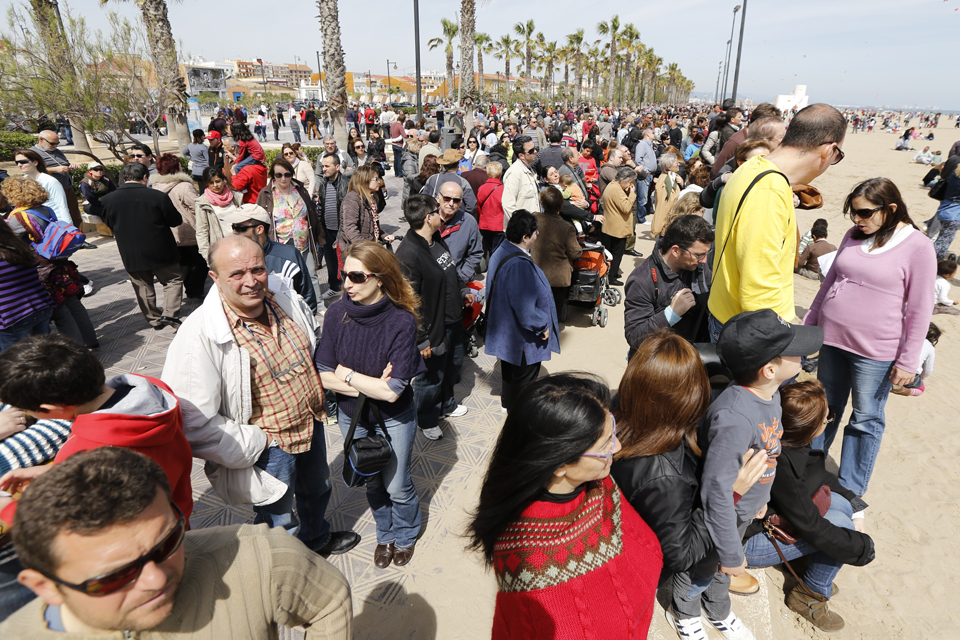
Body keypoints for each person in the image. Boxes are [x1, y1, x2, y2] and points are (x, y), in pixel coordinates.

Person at [0, 447, 352, 638]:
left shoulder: (260, 555)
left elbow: (328, 601)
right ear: (46, 587)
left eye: (167, 542)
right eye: (115, 576)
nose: (156, 578)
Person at [162, 235, 359, 556]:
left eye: (257, 269)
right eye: (237, 274)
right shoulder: (199, 333)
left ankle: (316, 539)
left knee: (318, 488)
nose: (251, 281)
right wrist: (256, 441)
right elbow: (190, 419)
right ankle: (288, 566)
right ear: (215, 278)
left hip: (310, 422)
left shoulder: (282, 296)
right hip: (268, 445)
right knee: (277, 514)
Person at [467, 373, 662, 639]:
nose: (617, 446)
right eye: (604, 444)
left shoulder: (599, 486)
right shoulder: (527, 562)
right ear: (559, 464)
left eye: (612, 430)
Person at [611, 332, 769, 640]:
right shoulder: (664, 477)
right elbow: (681, 555)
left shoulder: (621, 408)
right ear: (688, 398)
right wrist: (730, 494)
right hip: (642, 565)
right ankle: (685, 611)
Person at [803, 178, 936, 496]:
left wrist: (907, 361)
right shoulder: (852, 235)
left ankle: (849, 489)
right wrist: (809, 327)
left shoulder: (918, 247)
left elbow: (920, 310)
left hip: (875, 351)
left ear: (890, 209)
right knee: (825, 409)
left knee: (865, 418)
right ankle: (809, 471)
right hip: (832, 340)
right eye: (853, 213)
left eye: (863, 213)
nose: (857, 220)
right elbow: (827, 286)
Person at [698, 310, 823, 640]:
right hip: (725, 514)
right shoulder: (735, 418)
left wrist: (761, 501)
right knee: (702, 570)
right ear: (770, 369)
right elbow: (715, 491)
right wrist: (728, 552)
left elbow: (768, 455)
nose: (802, 355)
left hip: (745, 508)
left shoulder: (770, 396)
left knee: (720, 572)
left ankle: (718, 608)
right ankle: (685, 614)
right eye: (794, 350)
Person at [316, 242, 426, 567]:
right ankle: (385, 535)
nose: (346, 283)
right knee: (372, 482)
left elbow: (393, 393)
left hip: (394, 418)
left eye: (355, 276)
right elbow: (321, 375)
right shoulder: (337, 314)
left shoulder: (401, 322)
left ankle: (405, 535)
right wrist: (373, 384)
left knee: (397, 485)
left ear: (379, 278)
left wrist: (346, 373)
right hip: (354, 418)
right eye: (343, 274)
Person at [743, 381, 875, 632]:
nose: (829, 422)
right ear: (809, 428)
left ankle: (807, 566)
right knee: (841, 531)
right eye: (827, 419)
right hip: (747, 544)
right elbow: (814, 528)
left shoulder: (789, 441)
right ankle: (809, 596)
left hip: (777, 518)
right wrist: (862, 547)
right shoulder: (785, 466)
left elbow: (820, 476)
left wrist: (857, 505)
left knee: (842, 506)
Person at [709, 104, 847, 341]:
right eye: (838, 156)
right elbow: (759, 287)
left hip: (726, 312)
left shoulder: (752, 167)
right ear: (829, 150)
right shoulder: (769, 189)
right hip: (750, 328)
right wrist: (779, 343)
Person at [396, 195, 471, 440]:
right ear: (429, 218)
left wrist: (462, 291)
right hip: (433, 327)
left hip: (453, 319)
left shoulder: (436, 239)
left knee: (452, 367)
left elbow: (450, 270)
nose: (443, 213)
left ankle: (446, 405)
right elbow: (409, 302)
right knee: (430, 377)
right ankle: (427, 418)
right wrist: (422, 339)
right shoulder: (408, 254)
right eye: (437, 211)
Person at [485, 211, 559, 411]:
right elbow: (524, 306)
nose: (537, 236)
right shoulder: (519, 264)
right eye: (536, 233)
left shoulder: (502, 250)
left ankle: (508, 404)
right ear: (525, 237)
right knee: (524, 377)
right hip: (522, 337)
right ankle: (519, 414)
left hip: (508, 331)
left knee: (509, 370)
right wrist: (541, 325)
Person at [100, 162, 184, 330]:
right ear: (145, 177)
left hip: (130, 250)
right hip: (161, 248)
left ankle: (154, 319)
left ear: (123, 178)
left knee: (142, 285)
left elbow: (108, 222)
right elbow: (175, 221)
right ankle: (170, 314)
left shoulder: (108, 200)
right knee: (172, 279)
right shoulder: (157, 196)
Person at [624, 215, 713, 353]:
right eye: (699, 255)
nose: (704, 261)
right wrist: (672, 313)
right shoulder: (641, 280)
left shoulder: (697, 266)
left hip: (690, 354)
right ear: (676, 251)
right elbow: (635, 337)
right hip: (660, 362)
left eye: (707, 253)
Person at [256, 157, 323, 304]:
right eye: (279, 175)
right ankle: (286, 304)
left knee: (311, 273)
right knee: (283, 276)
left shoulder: (299, 189)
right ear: (273, 176)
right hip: (280, 241)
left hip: (302, 240)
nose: (283, 178)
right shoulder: (266, 193)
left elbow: (311, 213)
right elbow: (260, 219)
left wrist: (319, 235)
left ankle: (318, 304)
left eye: (287, 174)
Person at [230, 203, 317, 313]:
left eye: (240, 228)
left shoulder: (289, 256)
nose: (234, 232)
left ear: (259, 229)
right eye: (233, 227)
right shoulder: (230, 258)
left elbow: (307, 299)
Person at [150, 154, 206, 300]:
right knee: (200, 262)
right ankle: (195, 291)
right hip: (190, 230)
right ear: (176, 168)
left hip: (170, 233)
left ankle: (190, 289)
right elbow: (197, 207)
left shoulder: (155, 187)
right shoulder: (184, 186)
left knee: (184, 263)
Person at [0, 217, 54, 352]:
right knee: (44, 355)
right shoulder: (18, 246)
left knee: (17, 365)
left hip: (11, 317)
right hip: (40, 306)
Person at [531, 187, 582, 320]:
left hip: (536, 273)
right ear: (561, 205)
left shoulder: (534, 217)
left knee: (536, 310)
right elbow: (575, 253)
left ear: (542, 203)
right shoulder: (566, 228)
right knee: (553, 315)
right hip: (558, 278)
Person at [338, 165, 395, 269]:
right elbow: (350, 228)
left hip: (367, 250)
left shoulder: (370, 197)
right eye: (376, 179)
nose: (379, 182)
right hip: (357, 253)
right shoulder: (352, 200)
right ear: (365, 180)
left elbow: (372, 224)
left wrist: (383, 235)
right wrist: (366, 248)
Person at [29, 131, 82, 228]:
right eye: (52, 143)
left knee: (75, 215)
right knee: (58, 216)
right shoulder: (32, 153)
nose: (55, 146)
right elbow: (31, 170)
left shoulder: (57, 151)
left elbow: (65, 164)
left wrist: (71, 166)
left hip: (66, 188)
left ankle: (78, 237)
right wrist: (54, 169)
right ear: (41, 139)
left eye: (57, 143)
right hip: (48, 191)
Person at [195, 165, 245, 261]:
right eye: (211, 183)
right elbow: (202, 231)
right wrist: (207, 256)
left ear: (223, 180)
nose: (215, 185)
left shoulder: (236, 197)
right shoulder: (202, 203)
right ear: (206, 184)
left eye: (218, 181)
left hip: (239, 246)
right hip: (220, 250)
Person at [599, 166, 639, 287]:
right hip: (616, 227)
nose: (630, 185)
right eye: (629, 182)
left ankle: (613, 273)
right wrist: (632, 194)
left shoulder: (613, 185)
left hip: (612, 224)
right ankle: (612, 276)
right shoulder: (616, 189)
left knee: (613, 251)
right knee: (617, 253)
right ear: (623, 179)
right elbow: (626, 207)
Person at [12, 150, 70, 225]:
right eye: (17, 162)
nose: (19, 165)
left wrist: (68, 227)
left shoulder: (50, 181)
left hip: (53, 224)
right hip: (33, 224)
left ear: (35, 162)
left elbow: (62, 206)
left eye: (23, 161)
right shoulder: (22, 181)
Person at [930, 152, 960, 258]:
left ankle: (937, 260)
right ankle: (931, 261)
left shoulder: (955, 174)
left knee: (944, 239)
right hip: (954, 213)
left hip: (946, 208)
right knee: (943, 241)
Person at [478, 160, 506, 258]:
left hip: (484, 224)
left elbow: (479, 206)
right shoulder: (503, 189)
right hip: (498, 224)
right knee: (497, 251)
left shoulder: (482, 188)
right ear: (500, 173)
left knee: (490, 249)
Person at [651, 153, 684, 237]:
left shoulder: (674, 176)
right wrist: (659, 226)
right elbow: (663, 205)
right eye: (676, 163)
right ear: (669, 167)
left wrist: (682, 183)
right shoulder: (664, 181)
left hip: (672, 219)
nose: (678, 164)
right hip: (667, 222)